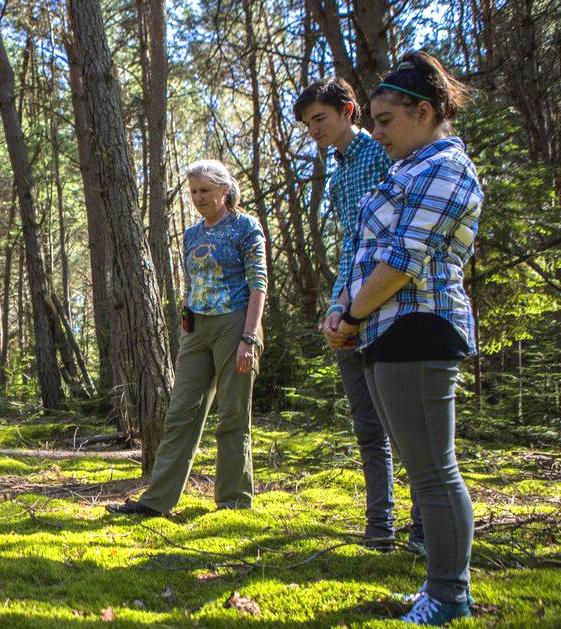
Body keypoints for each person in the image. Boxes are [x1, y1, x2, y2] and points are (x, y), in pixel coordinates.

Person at [324, 51, 480, 626]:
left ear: (424, 111)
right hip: (388, 329)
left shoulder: (447, 168)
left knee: (434, 468)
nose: (378, 131)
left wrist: (352, 316)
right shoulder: (408, 168)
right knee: (422, 466)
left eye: (386, 120)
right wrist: (346, 308)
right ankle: (438, 587)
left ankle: (448, 595)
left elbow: (402, 260)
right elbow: (365, 252)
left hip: (421, 326)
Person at [295, 77, 423, 552]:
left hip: (389, 306)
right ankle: (379, 527)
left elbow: (392, 240)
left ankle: (425, 526)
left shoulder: (381, 155)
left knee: (404, 427)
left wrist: (358, 304)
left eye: (320, 119)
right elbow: (350, 244)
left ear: (349, 110)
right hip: (349, 304)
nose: (314, 131)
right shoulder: (336, 173)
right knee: (367, 427)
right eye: (308, 124)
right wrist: (336, 305)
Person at [108, 160, 267, 517]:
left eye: (204, 191)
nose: (197, 198)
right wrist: (185, 321)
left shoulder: (246, 226)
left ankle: (233, 502)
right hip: (196, 329)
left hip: (235, 323)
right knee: (181, 413)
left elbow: (259, 284)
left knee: (232, 414)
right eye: (193, 191)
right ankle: (156, 501)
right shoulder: (193, 234)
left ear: (224, 192)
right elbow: (192, 283)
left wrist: (249, 338)